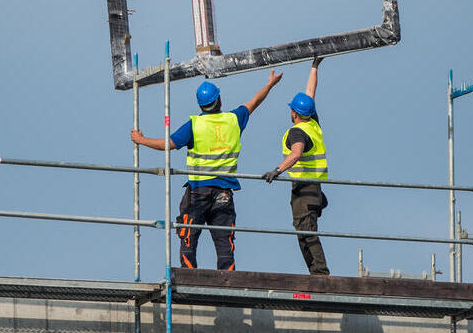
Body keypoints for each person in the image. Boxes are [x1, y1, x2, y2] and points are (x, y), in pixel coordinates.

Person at [131, 69, 283, 270]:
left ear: (200, 104)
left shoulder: (194, 125)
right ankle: (227, 279)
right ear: (218, 99)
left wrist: (141, 140)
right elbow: (254, 101)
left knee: (188, 236)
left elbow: (167, 144)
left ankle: (189, 275)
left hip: (198, 191)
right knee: (224, 240)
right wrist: (270, 84)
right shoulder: (233, 120)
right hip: (223, 192)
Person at [262, 56, 330, 275]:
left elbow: (297, 153)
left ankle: (320, 275)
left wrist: (277, 170)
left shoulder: (297, 132)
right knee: (305, 230)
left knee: (306, 232)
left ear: (294, 113)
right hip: (316, 189)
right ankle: (317, 272)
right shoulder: (312, 124)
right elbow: (310, 95)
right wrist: (314, 67)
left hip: (305, 190)